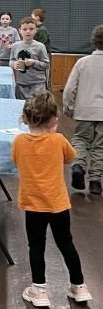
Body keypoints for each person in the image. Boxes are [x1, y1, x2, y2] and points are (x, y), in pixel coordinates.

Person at [11, 91, 91, 308]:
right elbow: (71, 157)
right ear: (53, 120)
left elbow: (16, 160)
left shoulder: (19, 141)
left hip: (33, 205)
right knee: (66, 243)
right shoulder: (59, 140)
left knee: (36, 245)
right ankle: (79, 286)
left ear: (26, 118)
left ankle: (39, 290)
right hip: (58, 204)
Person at [63, 23, 103, 195]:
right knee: (100, 146)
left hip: (84, 111)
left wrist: (68, 107)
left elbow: (69, 89)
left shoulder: (82, 62)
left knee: (80, 139)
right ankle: (95, 182)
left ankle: (78, 165)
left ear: (94, 40)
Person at [9, 17, 50, 100]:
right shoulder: (15, 46)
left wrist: (34, 62)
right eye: (24, 29)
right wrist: (14, 64)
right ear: (19, 30)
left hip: (37, 84)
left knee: (36, 106)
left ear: (36, 30)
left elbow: (46, 65)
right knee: (21, 106)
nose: (28, 31)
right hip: (21, 83)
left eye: (31, 29)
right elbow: (11, 60)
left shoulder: (40, 46)